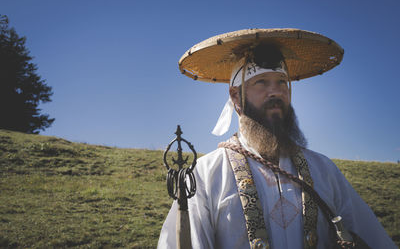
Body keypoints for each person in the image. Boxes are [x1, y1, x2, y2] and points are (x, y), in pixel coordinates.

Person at [158, 29, 396, 249]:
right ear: (235, 96)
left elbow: (373, 239)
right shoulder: (207, 173)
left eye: (281, 82)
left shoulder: (324, 170)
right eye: (261, 83)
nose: (275, 92)